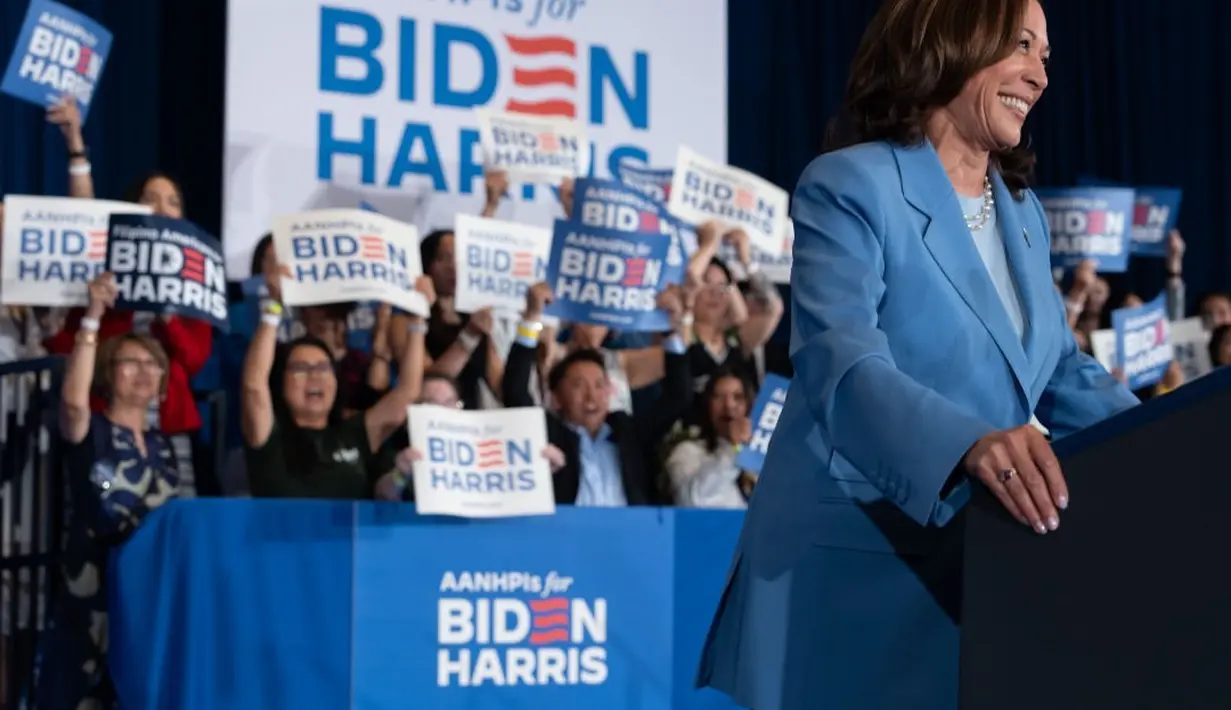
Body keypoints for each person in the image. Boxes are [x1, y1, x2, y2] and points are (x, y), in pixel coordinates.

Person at [697, 1, 1138, 708]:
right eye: (1020, 45)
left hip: (979, 564)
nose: (1039, 75)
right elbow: (841, 360)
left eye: (1045, 56)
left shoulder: (1020, 211)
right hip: (853, 567)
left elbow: (1054, 368)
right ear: (952, 41)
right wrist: (969, 443)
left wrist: (1167, 434)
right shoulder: (849, 184)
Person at [39, 273, 181, 708]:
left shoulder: (167, 448)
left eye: (152, 364)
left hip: (147, 599)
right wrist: (92, 319)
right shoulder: (91, 430)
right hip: (91, 596)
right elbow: (73, 403)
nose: (144, 371)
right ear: (108, 374)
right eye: (131, 362)